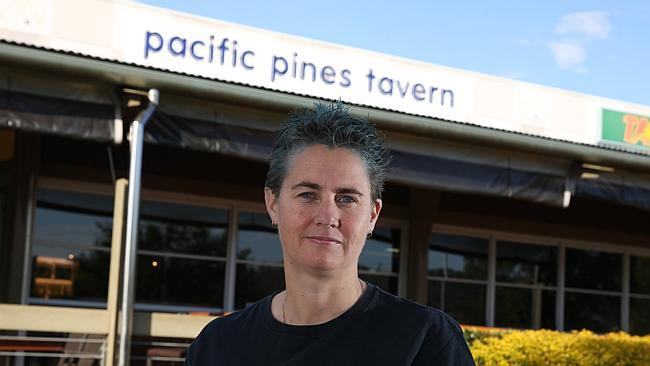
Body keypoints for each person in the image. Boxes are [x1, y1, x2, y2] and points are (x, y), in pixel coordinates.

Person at [185, 102, 475, 365]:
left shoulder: (426, 341)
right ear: (273, 203)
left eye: (347, 198)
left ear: (372, 215)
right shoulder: (217, 347)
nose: (328, 216)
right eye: (308, 194)